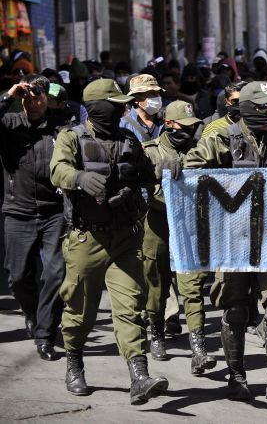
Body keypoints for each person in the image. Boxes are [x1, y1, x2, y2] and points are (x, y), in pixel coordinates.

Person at [183, 80, 267, 403]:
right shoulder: (222, 138)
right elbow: (191, 168)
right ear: (248, 107)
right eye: (264, 106)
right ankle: (236, 377)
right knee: (235, 308)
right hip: (233, 238)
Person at [50, 79, 168, 404]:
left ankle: (139, 376)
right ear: (97, 106)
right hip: (87, 238)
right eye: (115, 104)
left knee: (130, 306)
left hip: (125, 238)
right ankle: (74, 362)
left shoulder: (128, 139)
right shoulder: (72, 137)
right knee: (80, 310)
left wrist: (166, 168)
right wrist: (79, 177)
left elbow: (149, 173)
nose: (122, 109)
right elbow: (57, 170)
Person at [140, 100, 217, 376]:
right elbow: (138, 181)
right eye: (183, 126)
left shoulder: (198, 151)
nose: (188, 131)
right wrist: (159, 172)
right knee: (156, 282)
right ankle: (157, 333)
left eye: (192, 126)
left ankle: (199, 349)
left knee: (192, 285)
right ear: (168, 124)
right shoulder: (149, 150)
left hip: (189, 223)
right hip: (158, 221)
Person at [0, 75, 68, 361]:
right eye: (27, 98)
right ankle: (32, 314)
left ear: (47, 99)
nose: (34, 103)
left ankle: (45, 335)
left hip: (55, 212)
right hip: (18, 211)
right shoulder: (9, 124)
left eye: (39, 98)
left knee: (55, 273)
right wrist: (8, 97)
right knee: (17, 277)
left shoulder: (61, 128)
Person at [121, 74, 164, 142]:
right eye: (151, 94)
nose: (157, 97)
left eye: (158, 93)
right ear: (135, 99)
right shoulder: (123, 125)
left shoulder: (166, 121)